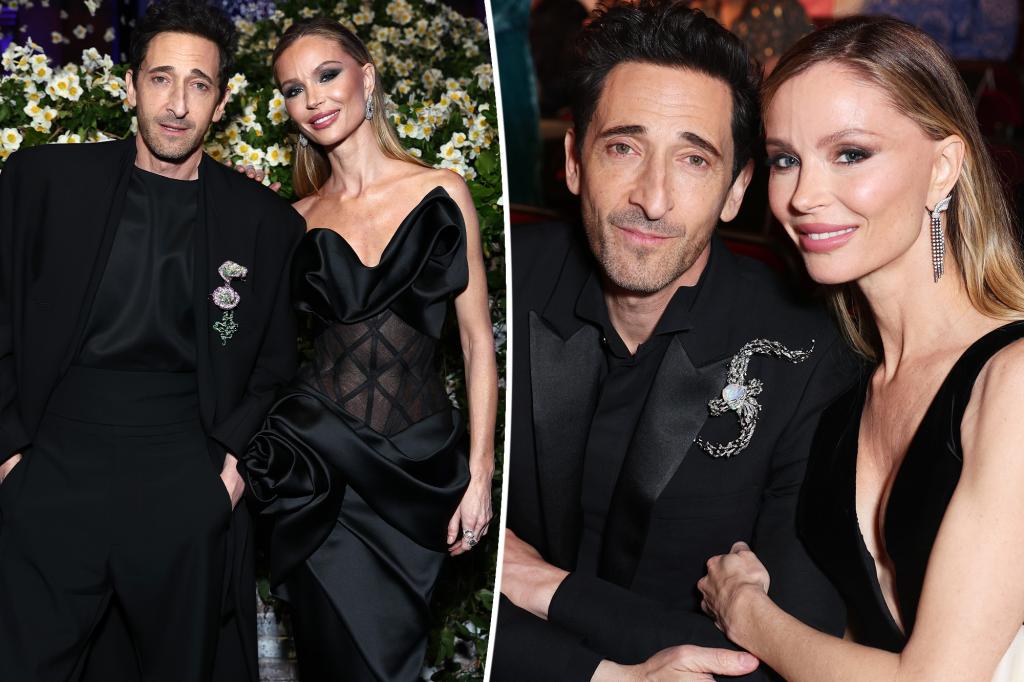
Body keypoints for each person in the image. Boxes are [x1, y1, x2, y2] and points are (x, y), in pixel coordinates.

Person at [491, 2, 858, 679]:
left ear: (737, 189)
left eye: (693, 159)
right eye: (623, 148)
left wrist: (542, 585)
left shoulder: (810, 355)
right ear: (573, 161)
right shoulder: (497, 284)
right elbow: (412, 555)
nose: (653, 199)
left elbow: (780, 660)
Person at [699, 16, 1024, 682]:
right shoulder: (844, 386)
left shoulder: (1013, 380)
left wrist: (747, 613)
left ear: (942, 169)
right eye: (786, 159)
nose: (803, 196)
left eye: (850, 153)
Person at [0, 1, 304, 681]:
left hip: (182, 476)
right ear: (130, 85)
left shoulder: (263, 223)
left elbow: (275, 368)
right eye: (161, 78)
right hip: (51, 465)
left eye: (199, 84)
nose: (177, 104)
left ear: (221, 103)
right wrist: (9, 456)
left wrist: (226, 482)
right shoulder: (43, 182)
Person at [242, 17, 498, 682]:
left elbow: (477, 343)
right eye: (293, 89)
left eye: (327, 75)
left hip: (415, 472)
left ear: (367, 76)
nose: (313, 98)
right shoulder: (291, 220)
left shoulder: (442, 192)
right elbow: (250, 343)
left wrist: (480, 473)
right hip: (316, 472)